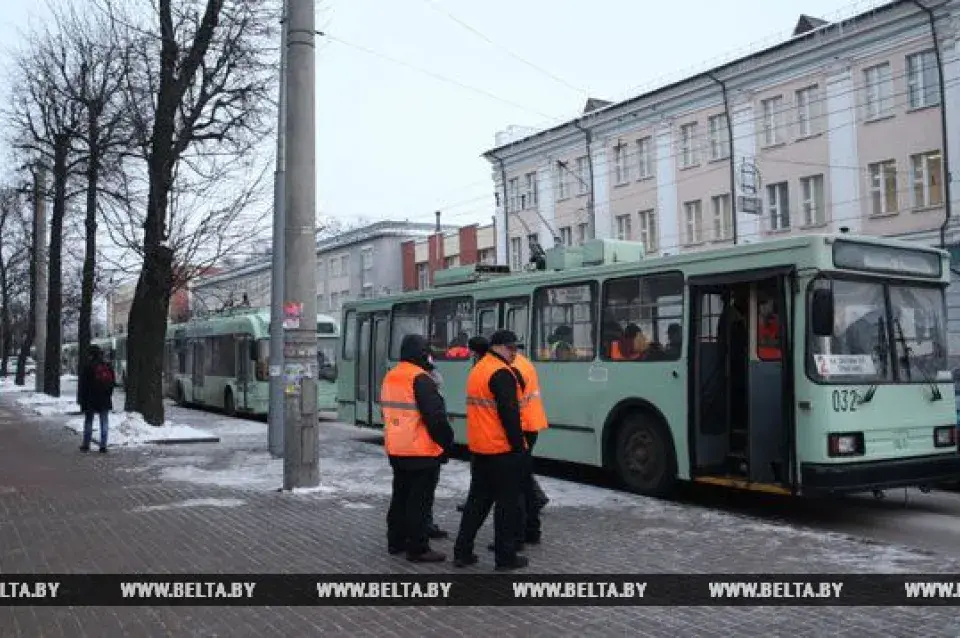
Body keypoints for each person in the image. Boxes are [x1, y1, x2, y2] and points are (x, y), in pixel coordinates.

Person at [453, 330, 528, 571]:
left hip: (480, 448)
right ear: (500, 347)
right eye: (511, 348)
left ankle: (462, 551)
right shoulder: (501, 373)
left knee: (477, 503)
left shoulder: (479, 369)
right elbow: (509, 415)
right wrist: (519, 448)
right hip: (501, 449)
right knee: (506, 506)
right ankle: (505, 558)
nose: (514, 352)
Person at [382, 334, 455, 562]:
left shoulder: (391, 376)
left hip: (397, 449)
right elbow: (436, 418)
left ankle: (396, 542)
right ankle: (418, 548)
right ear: (422, 353)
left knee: (400, 498)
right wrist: (447, 442)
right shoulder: (421, 379)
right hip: (421, 451)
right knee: (419, 503)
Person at [507, 347, 549, 548]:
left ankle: (522, 532)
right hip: (531, 424)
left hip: (522, 427)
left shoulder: (510, 368)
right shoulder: (523, 362)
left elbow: (511, 404)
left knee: (517, 484)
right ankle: (532, 529)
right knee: (523, 478)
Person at [78, 345, 116, 453]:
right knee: (104, 422)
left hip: (90, 399)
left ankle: (86, 445)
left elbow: (83, 386)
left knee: (89, 421)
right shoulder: (107, 366)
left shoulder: (87, 367)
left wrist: (81, 400)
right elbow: (112, 383)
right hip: (104, 399)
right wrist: (108, 395)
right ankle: (103, 446)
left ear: (90, 355)